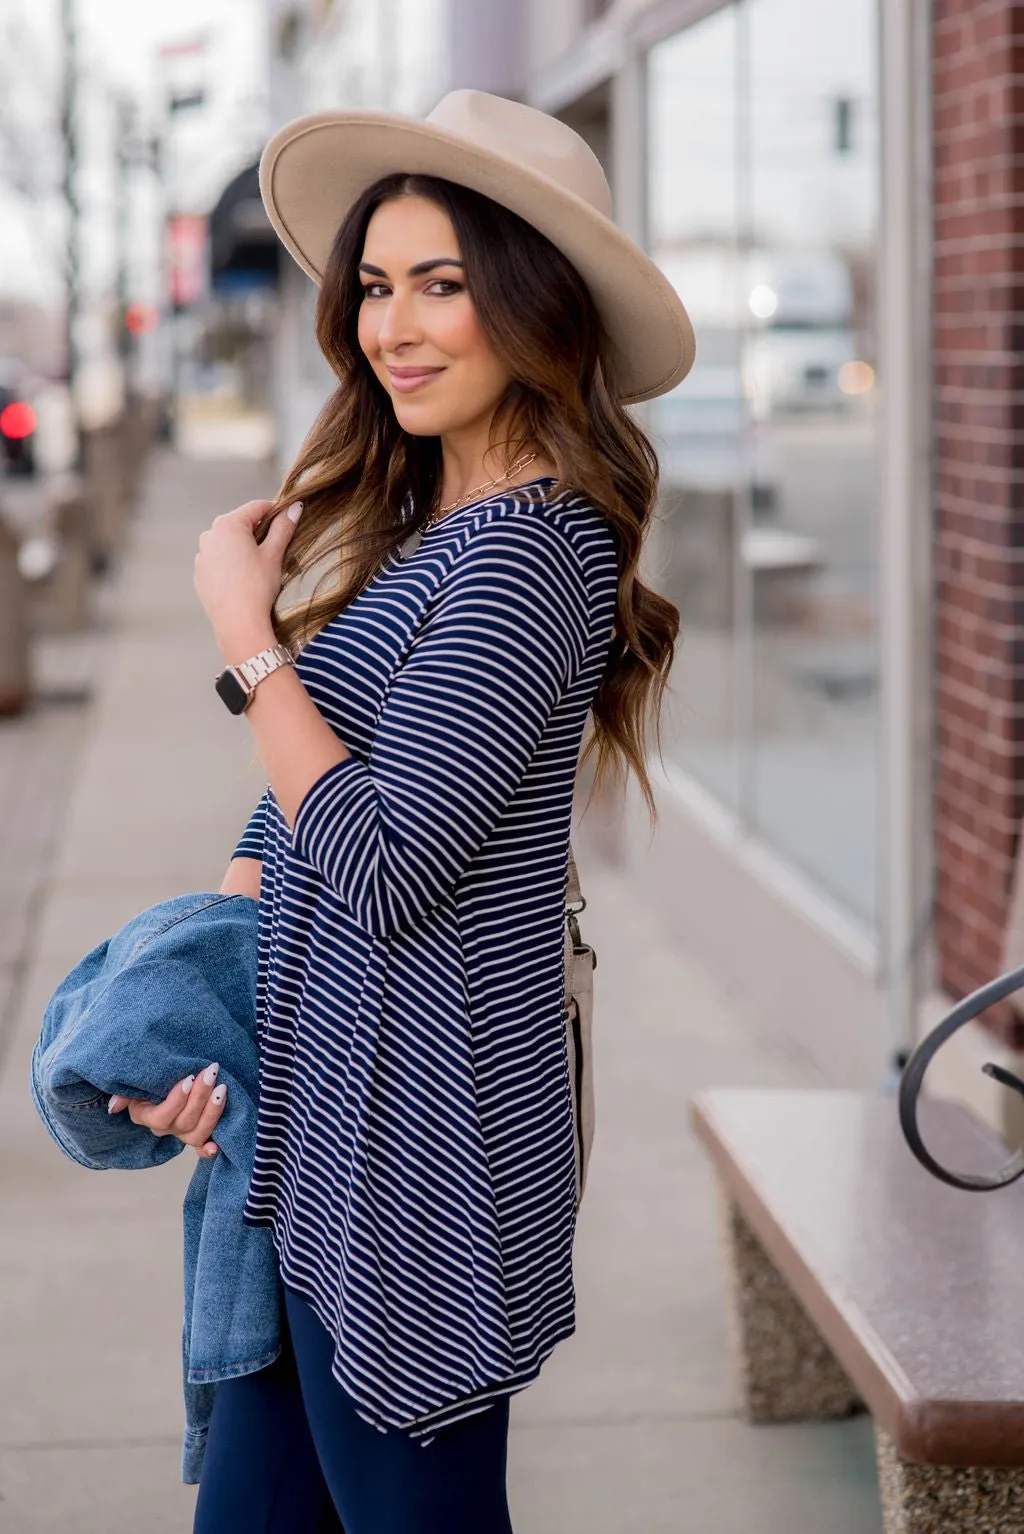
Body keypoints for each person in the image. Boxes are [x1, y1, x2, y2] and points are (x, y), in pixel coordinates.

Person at [115, 89, 694, 1533]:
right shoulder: (425, 536)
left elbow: (378, 862)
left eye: (445, 285)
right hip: (317, 1126)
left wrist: (249, 641)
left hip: (415, 1157)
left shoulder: (529, 557)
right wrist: (202, 1008)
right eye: (377, 285)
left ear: (535, 307)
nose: (394, 325)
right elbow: (305, 818)